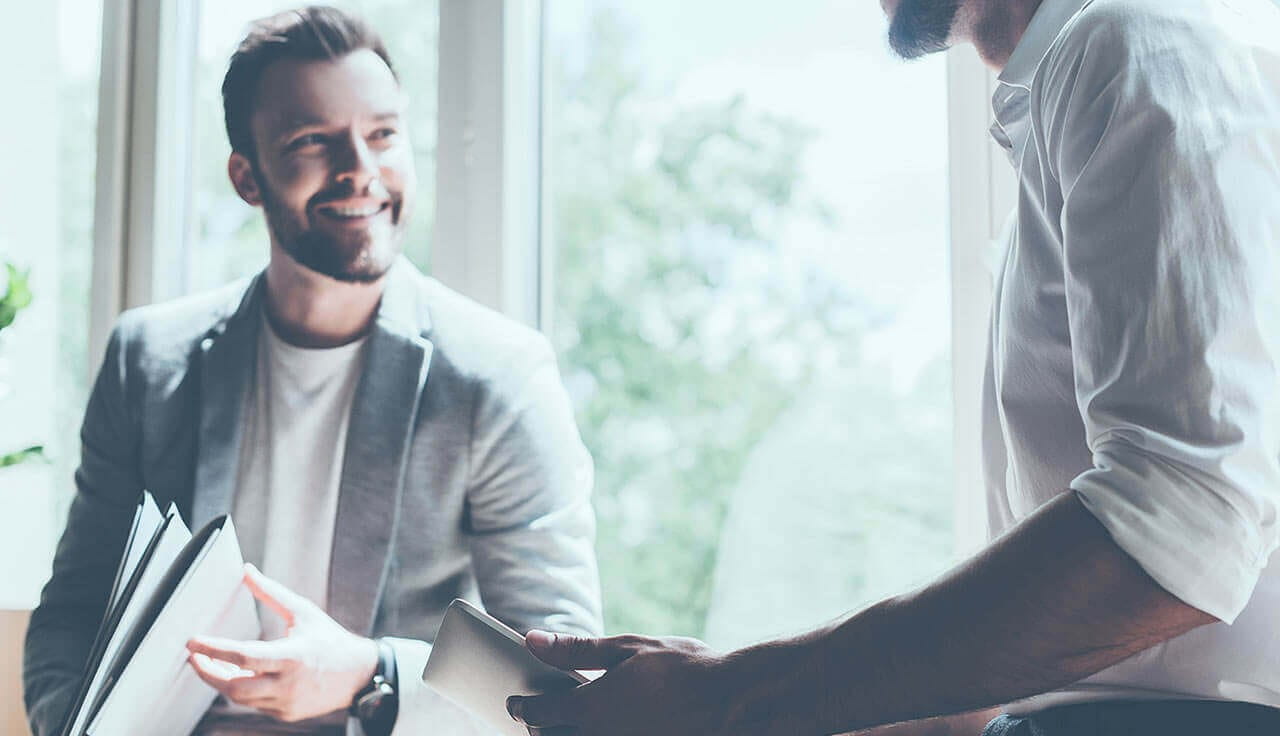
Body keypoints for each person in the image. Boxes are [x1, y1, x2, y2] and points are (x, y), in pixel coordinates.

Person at [504, 0, 1280, 734]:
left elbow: (1183, 523)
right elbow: (1044, 673)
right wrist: (715, 698)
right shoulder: (1081, 88)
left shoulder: (1133, 45)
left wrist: (727, 697)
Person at [23, 7, 601, 736]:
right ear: (247, 178)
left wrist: (369, 674)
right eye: (312, 141)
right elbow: (71, 619)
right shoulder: (147, 362)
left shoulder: (499, 378)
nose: (360, 170)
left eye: (383, 133)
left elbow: (565, 686)